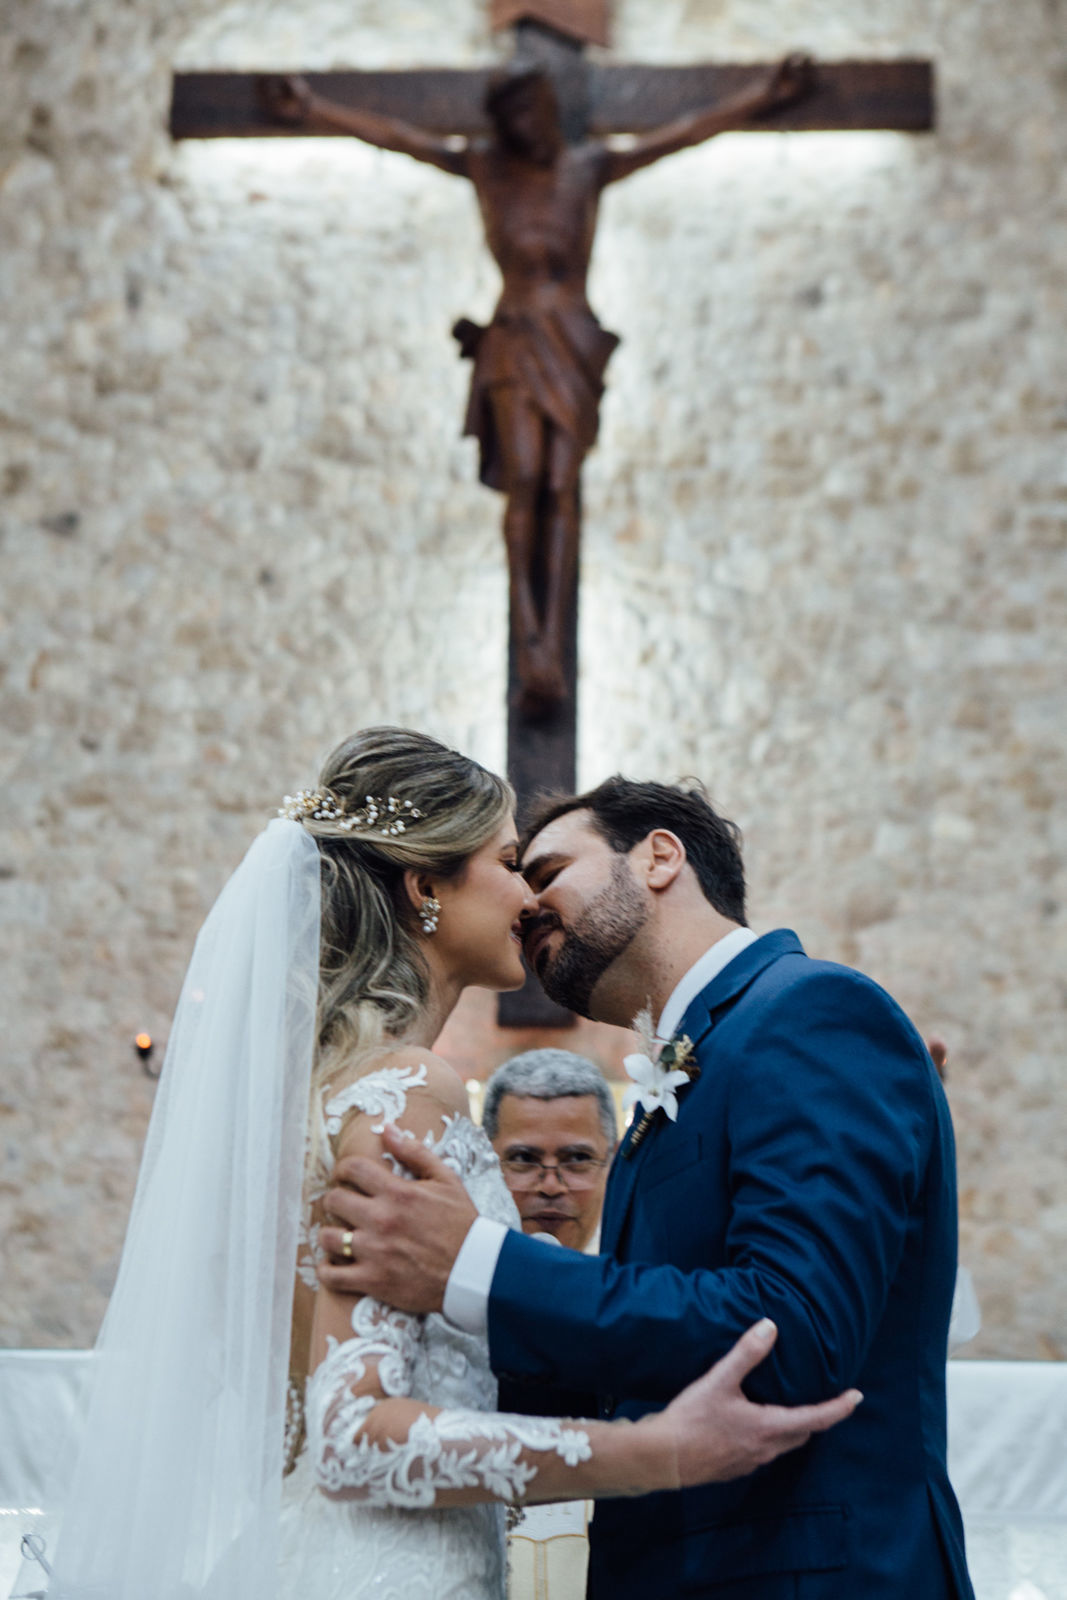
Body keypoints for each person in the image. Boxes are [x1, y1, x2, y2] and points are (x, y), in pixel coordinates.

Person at [41, 736, 858, 1600]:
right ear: (425, 888)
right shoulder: (407, 1087)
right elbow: (354, 1435)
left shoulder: (313, 1098)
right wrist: (652, 1454)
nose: (531, 895)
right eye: (510, 861)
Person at [317, 776, 976, 1599]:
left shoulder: (811, 1010)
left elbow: (797, 1334)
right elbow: (629, 1370)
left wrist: (476, 1266)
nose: (525, 902)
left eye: (548, 868)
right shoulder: (683, 1077)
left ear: (660, 856)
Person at [264, 59, 810, 716]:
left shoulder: (587, 168)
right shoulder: (485, 169)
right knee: (524, 482)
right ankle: (532, 638)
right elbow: (396, 136)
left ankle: (550, 634)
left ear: (550, 108)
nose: (530, 125)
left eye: (537, 109)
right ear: (504, 124)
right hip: (516, 336)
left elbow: (683, 131)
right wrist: (315, 109)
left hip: (571, 340)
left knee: (559, 485)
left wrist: (759, 95)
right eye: (517, 116)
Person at [483, 1047, 616, 1252]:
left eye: (577, 1158)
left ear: (613, 1162)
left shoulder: (640, 1273)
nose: (551, 1187)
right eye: (523, 1158)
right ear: (484, 1159)